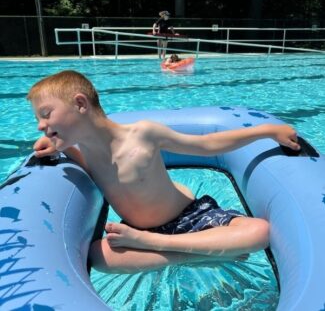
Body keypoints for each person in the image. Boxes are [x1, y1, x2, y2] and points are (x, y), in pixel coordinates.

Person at [28, 70, 300, 274]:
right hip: (136, 230)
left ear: (80, 104)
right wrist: (54, 146)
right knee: (98, 257)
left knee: (259, 231)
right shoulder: (80, 152)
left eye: (46, 114)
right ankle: (201, 253)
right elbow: (63, 152)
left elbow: (206, 145)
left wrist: (267, 131)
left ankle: (156, 243)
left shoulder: (143, 133)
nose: (41, 125)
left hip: (188, 218)